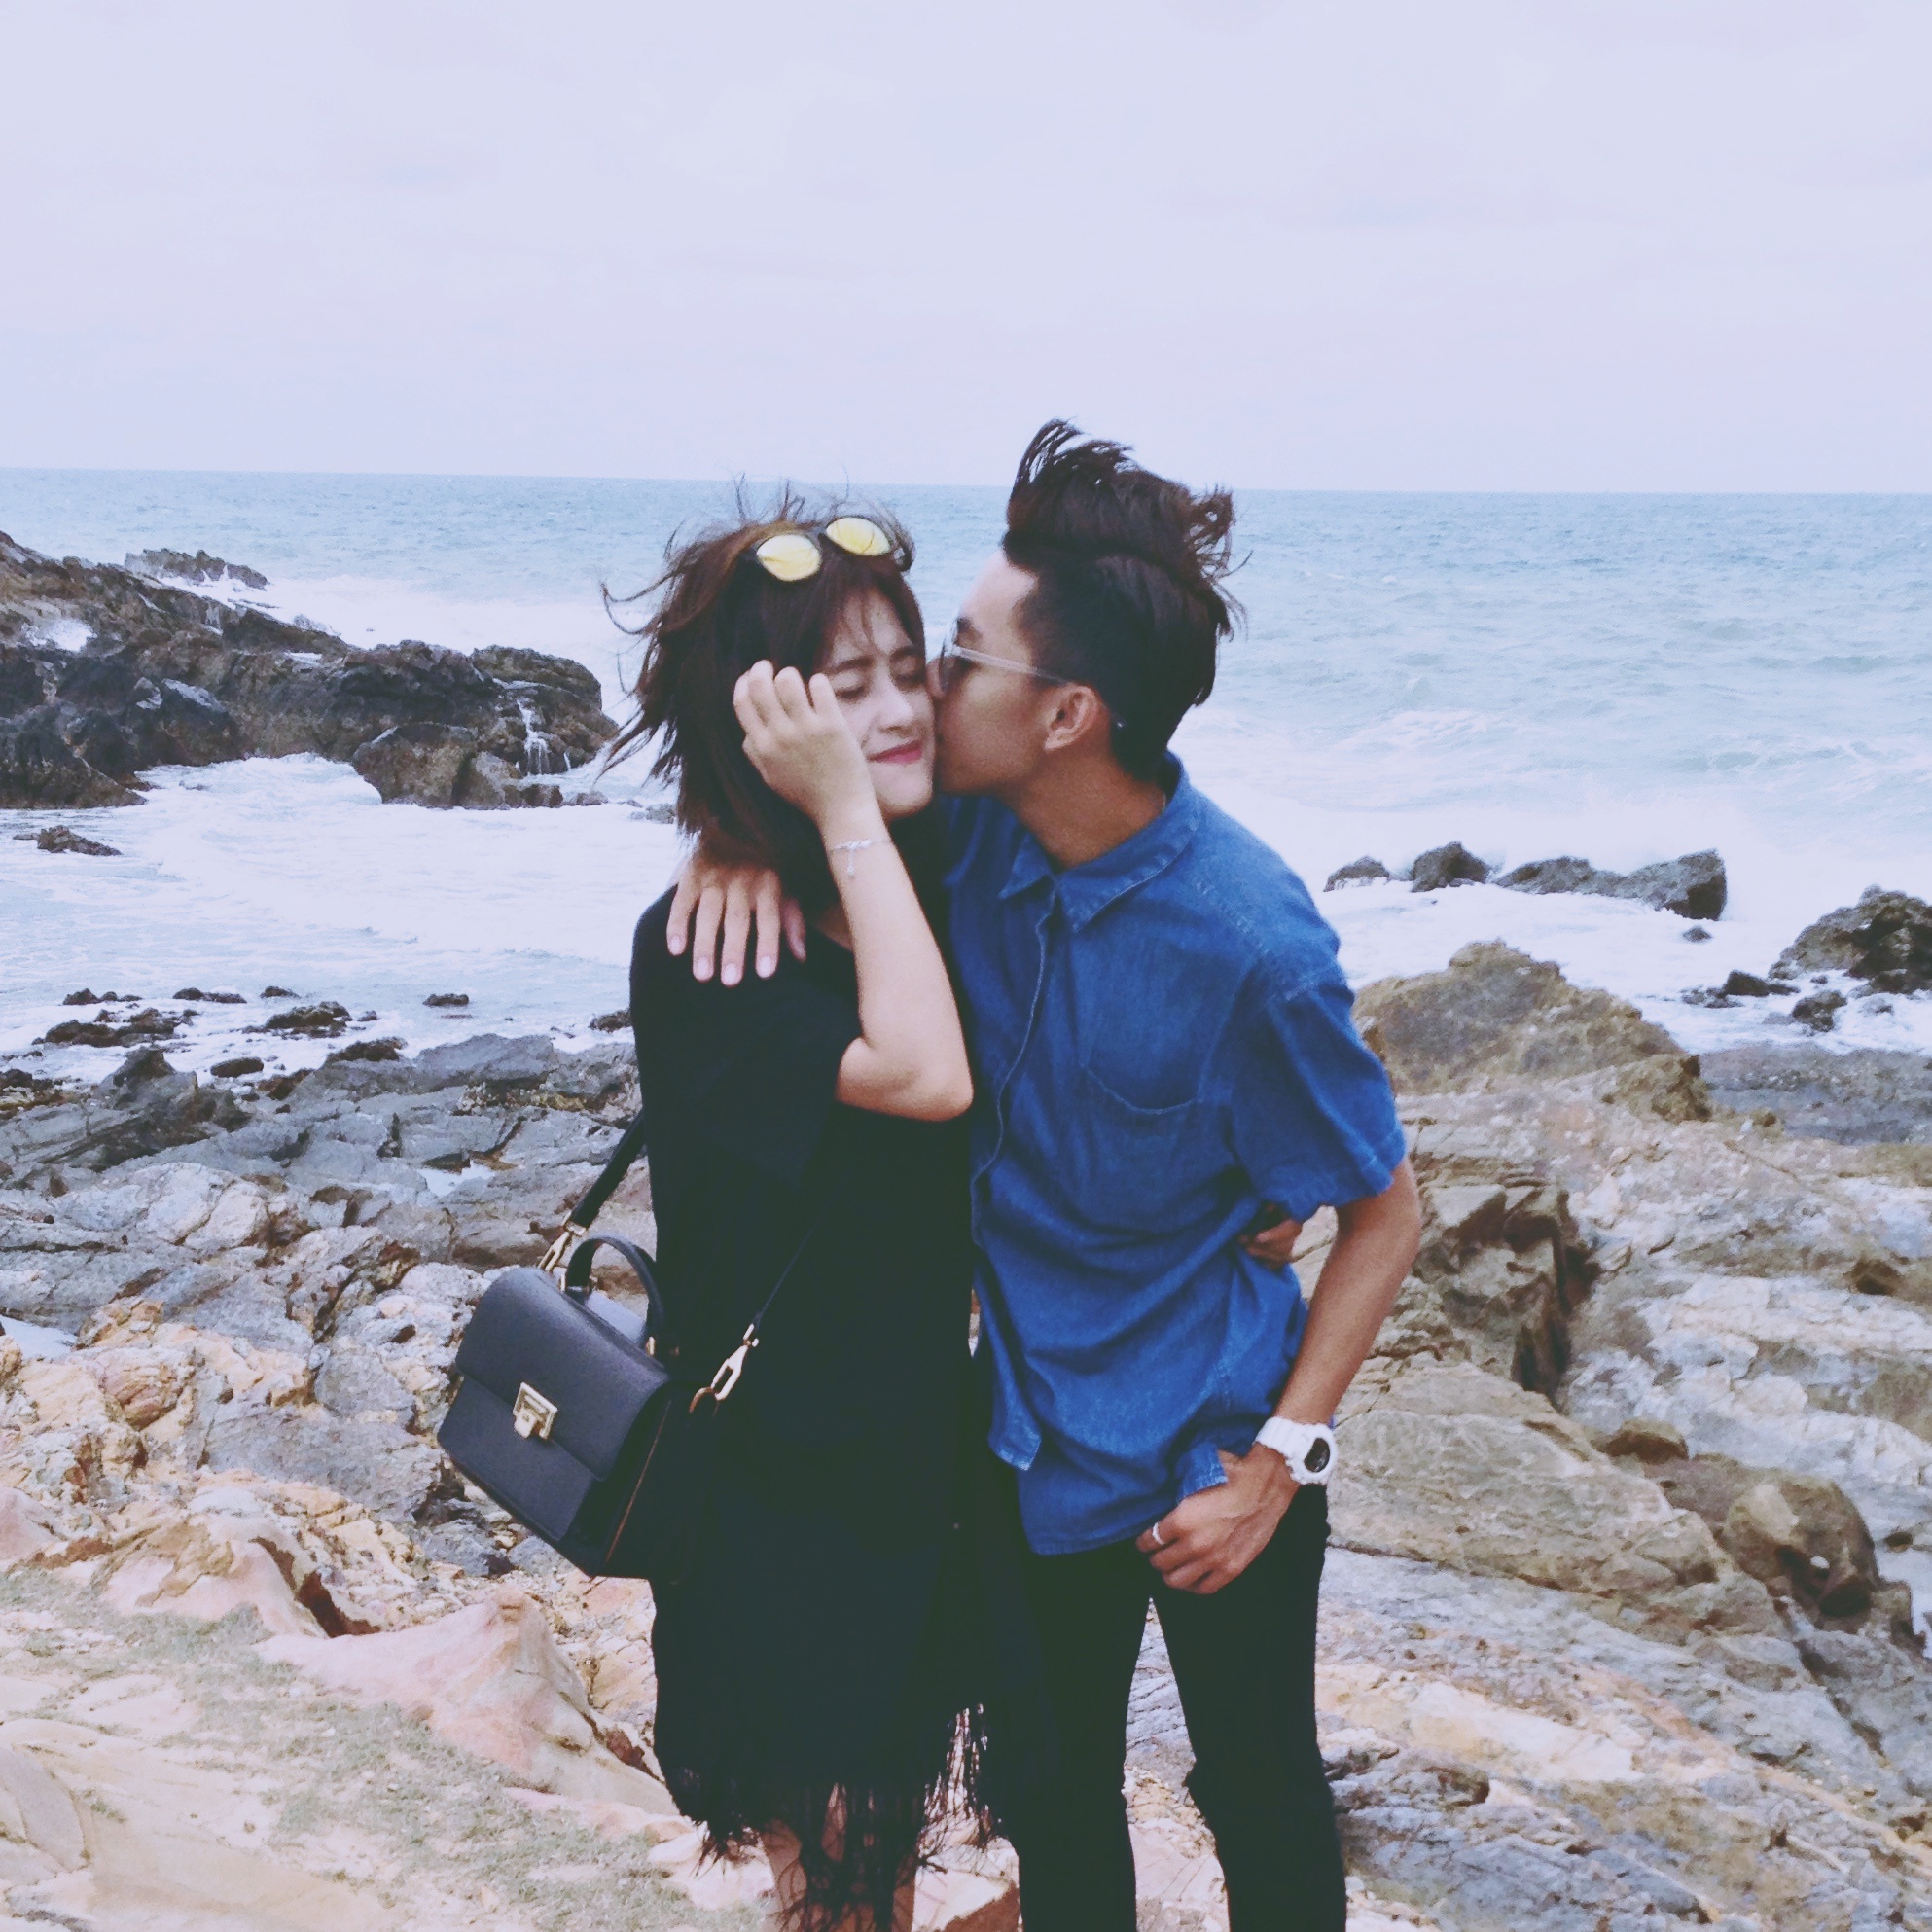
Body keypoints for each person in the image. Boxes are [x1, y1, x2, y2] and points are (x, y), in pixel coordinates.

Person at [670, 425, 1424, 1931]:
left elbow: (1383, 1209)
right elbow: (810, 790)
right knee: (1054, 1792)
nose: (924, 690)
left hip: (1210, 1445)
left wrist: (1278, 1464)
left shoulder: (1251, 945)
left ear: (1068, 712)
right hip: (1023, 1440)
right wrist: (730, 845)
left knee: (1258, 1790)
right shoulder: (968, 838)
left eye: (958, 657)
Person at [611, 501, 1011, 1931]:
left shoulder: (942, 869)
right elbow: (923, 1073)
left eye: (910, 669)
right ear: (767, 722)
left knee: (877, 1858)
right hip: (773, 1480)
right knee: (835, 1862)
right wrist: (803, 818)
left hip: (919, 1459)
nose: (895, 712)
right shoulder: (712, 942)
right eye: (845, 690)